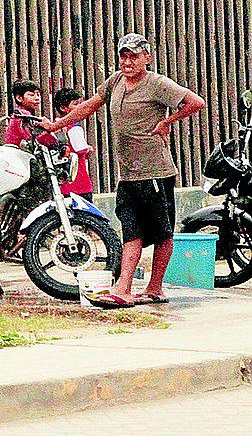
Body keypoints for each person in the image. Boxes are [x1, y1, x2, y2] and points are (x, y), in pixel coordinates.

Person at [49, 33, 205, 306]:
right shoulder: (115, 82)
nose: (128, 61)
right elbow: (88, 106)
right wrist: (56, 125)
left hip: (155, 172)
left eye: (134, 56)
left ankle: (151, 288)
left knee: (162, 233)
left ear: (147, 57)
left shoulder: (157, 84)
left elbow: (196, 102)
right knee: (131, 231)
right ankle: (124, 289)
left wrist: (168, 120)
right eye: (124, 55)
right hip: (128, 174)